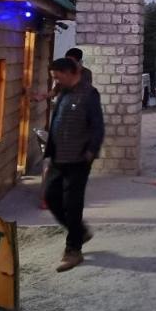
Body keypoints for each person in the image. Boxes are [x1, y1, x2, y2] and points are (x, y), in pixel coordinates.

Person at [43, 57, 104, 272]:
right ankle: (80, 231)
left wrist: (90, 152)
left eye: (58, 76)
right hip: (59, 158)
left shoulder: (89, 94)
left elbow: (98, 126)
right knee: (50, 196)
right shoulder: (64, 93)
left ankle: (73, 250)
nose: (56, 80)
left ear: (70, 72)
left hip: (79, 159)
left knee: (72, 203)